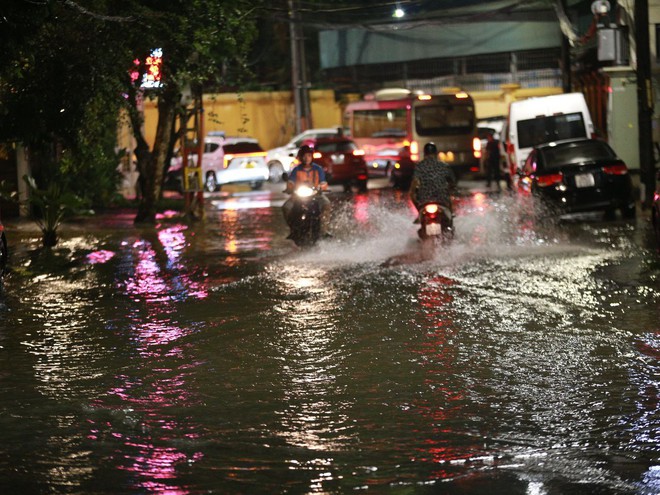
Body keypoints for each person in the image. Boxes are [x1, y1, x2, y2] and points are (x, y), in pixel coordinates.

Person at [282, 144, 331, 237]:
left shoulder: (318, 169)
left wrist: (322, 187)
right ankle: (292, 229)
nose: (306, 158)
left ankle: (324, 230)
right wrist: (290, 187)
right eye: (304, 156)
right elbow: (291, 181)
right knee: (285, 207)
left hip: (316, 195)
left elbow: (323, 182)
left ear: (312, 157)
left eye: (309, 155)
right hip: (298, 196)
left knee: (326, 204)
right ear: (300, 157)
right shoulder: (296, 170)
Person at [409, 142, 456, 226]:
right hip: (442, 199)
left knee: (411, 195)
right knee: (450, 197)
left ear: (424, 154)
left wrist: (414, 192)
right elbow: (452, 183)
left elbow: (414, 184)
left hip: (424, 200)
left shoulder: (419, 166)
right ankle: (451, 216)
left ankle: (419, 214)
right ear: (436, 153)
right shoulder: (444, 166)